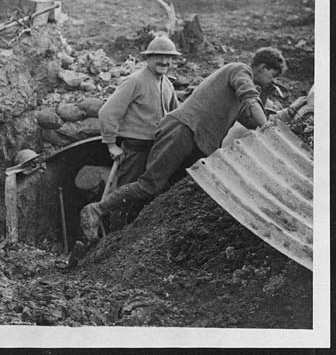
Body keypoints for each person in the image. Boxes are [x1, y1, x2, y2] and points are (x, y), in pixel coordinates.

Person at [81, 46, 300, 241]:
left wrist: (278, 102)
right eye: (273, 75)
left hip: (198, 141)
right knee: (150, 185)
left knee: (176, 190)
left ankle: (137, 236)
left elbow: (252, 119)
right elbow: (250, 101)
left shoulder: (243, 95)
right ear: (261, 67)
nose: (273, 81)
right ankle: (97, 210)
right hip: (183, 129)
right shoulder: (239, 70)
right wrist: (267, 126)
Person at [97, 35, 181, 225]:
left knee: (148, 196)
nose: (164, 61)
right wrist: (111, 145)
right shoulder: (134, 81)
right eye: (159, 57)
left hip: (157, 150)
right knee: (124, 197)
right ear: (148, 58)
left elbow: (177, 114)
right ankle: (113, 237)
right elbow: (107, 112)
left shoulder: (167, 84)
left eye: (168, 58)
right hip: (135, 150)